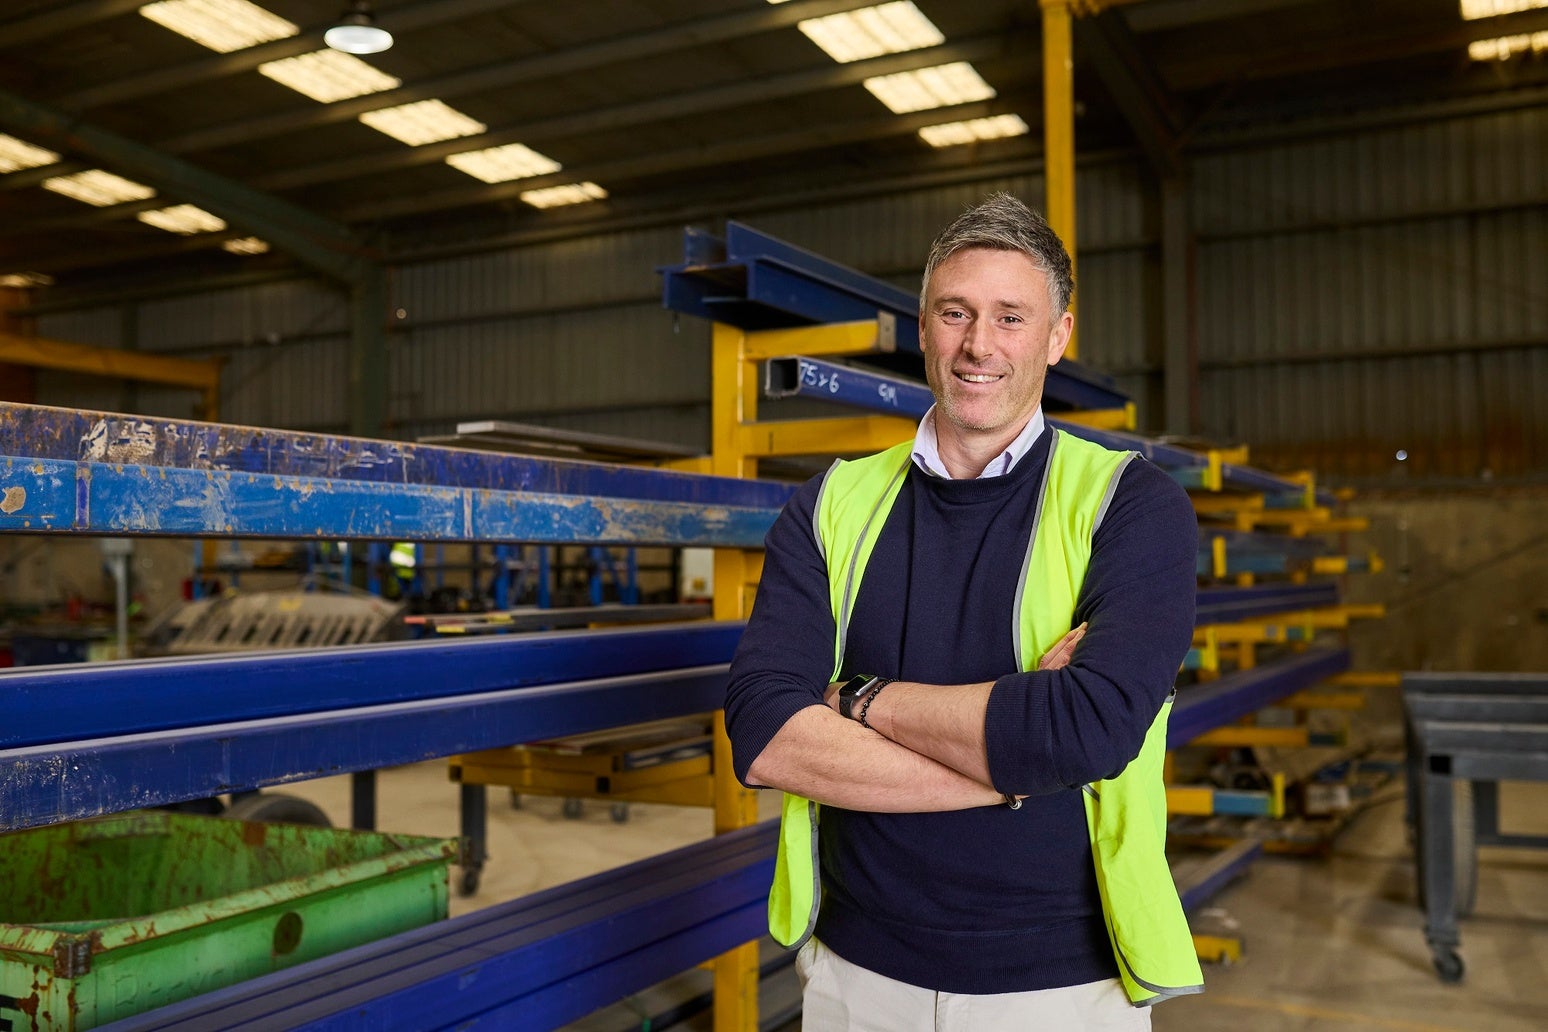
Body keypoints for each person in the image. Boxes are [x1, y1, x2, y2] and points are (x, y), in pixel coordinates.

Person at [724, 192, 1202, 1030]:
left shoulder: (1129, 504)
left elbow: (1086, 730)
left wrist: (856, 698)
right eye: (957, 312)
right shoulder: (831, 502)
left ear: (1058, 337)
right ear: (923, 326)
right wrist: (1015, 769)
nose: (980, 345)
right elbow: (763, 733)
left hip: (1060, 988)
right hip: (854, 977)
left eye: (1012, 317)